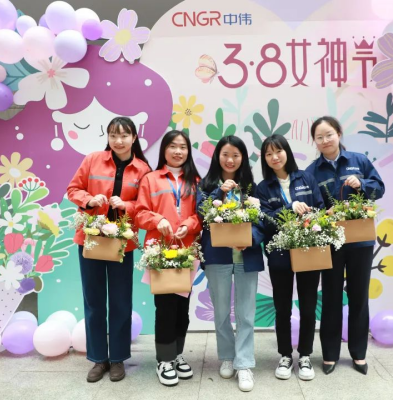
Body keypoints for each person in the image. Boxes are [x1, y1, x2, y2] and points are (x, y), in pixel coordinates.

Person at [66, 116, 151, 383]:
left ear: (134, 138)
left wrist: (126, 205)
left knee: (120, 301)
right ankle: (98, 359)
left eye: (124, 135)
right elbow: (73, 189)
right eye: (113, 135)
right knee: (93, 301)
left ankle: (117, 359)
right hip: (90, 239)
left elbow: (145, 206)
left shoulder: (143, 169)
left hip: (122, 243)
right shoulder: (93, 160)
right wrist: (90, 199)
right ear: (108, 137)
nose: (119, 140)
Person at [306, 116, 385, 375]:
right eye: (319, 137)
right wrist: (323, 213)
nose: (325, 140)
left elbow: (380, 188)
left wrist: (362, 184)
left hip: (360, 240)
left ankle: (359, 353)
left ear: (339, 133)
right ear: (314, 142)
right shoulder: (311, 171)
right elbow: (311, 207)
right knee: (330, 296)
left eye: (329, 134)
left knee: (359, 295)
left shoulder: (358, 161)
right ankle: (330, 354)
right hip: (330, 241)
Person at [196, 136, 264, 392]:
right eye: (225, 154)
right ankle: (227, 356)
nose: (230, 159)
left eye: (236, 155)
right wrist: (220, 192)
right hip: (217, 256)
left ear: (243, 158)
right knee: (221, 311)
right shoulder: (206, 184)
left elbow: (262, 221)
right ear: (217, 156)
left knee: (246, 313)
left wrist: (251, 239)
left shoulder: (252, 187)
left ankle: (244, 363)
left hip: (247, 256)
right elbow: (202, 213)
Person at [135, 130, 202, 387]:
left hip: (187, 252)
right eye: (173, 146)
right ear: (164, 150)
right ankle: (164, 360)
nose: (178, 151)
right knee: (164, 309)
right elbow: (140, 213)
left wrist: (189, 224)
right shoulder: (150, 179)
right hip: (160, 252)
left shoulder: (195, 180)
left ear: (188, 151)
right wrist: (158, 219)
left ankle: (176, 354)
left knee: (182, 310)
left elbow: (201, 215)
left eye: (183, 147)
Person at [255, 134, 324, 381]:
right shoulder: (263, 187)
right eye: (269, 154)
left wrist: (309, 215)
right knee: (282, 307)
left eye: (279, 151)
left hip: (308, 249)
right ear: (264, 159)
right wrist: (288, 207)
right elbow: (264, 220)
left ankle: (305, 355)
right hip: (279, 253)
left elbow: (320, 208)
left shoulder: (306, 178)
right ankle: (285, 355)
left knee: (308, 306)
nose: (274, 157)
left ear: (287, 152)